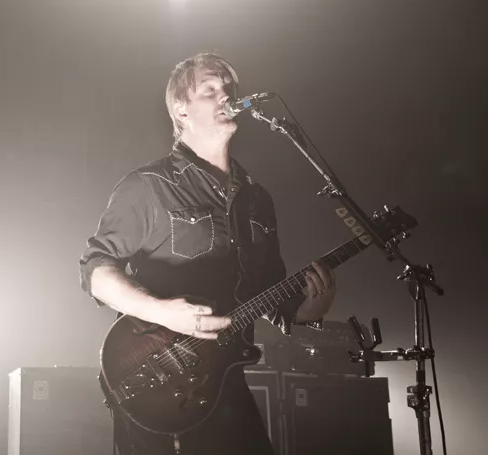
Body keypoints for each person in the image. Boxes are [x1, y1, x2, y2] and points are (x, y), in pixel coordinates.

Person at [78, 52, 336, 455]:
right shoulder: (149, 185)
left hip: (225, 380)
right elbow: (95, 269)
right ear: (181, 110)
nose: (225, 95)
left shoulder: (257, 199)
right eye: (210, 90)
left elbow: (270, 293)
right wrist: (160, 311)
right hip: (157, 374)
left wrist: (309, 309)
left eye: (228, 88)